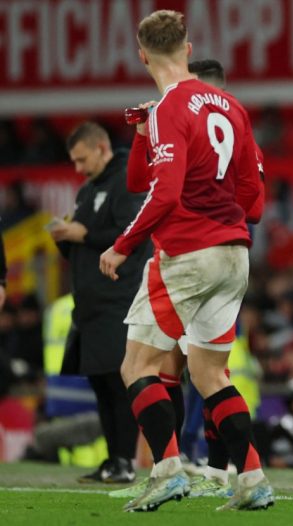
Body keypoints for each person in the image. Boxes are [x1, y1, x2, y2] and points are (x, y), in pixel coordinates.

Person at [98, 10, 269, 512]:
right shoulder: (232, 106)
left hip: (189, 252)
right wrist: (145, 134)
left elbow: (163, 193)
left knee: (136, 365)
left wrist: (122, 244)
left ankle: (168, 471)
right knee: (210, 373)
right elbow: (253, 200)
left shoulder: (170, 106)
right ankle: (253, 480)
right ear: (189, 49)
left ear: (141, 54)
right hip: (235, 254)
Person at [48, 122, 152, 483]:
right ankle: (113, 460)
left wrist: (84, 233)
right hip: (91, 306)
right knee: (101, 385)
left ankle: (124, 462)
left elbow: (133, 236)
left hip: (118, 300)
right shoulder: (88, 189)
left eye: (81, 159)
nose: (77, 169)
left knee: (118, 384)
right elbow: (81, 246)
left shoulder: (127, 181)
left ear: (101, 148)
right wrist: (65, 236)